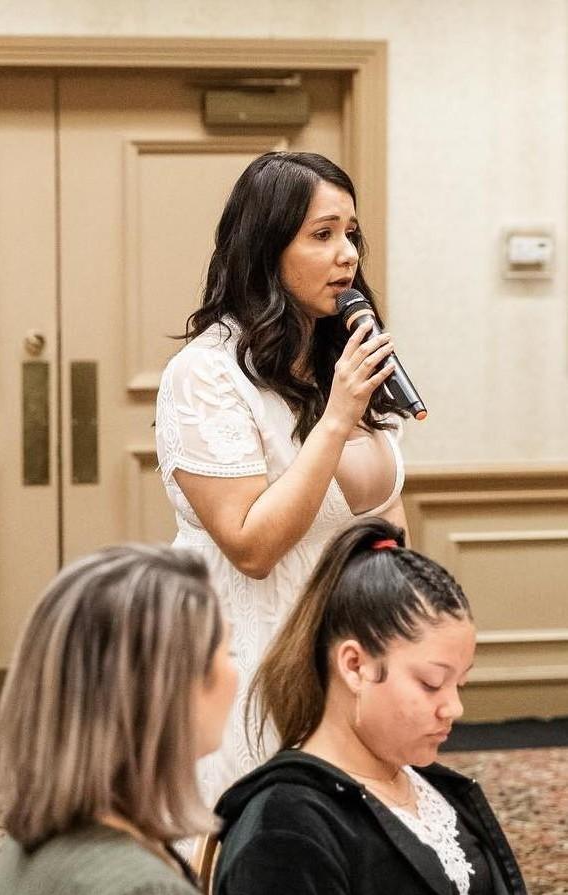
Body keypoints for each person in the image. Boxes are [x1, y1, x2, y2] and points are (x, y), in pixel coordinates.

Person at [155, 151, 411, 801]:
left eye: (351, 233)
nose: (347, 254)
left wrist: (407, 630)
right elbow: (252, 547)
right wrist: (337, 420)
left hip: (353, 653)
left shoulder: (341, 360)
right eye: (322, 234)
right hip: (251, 662)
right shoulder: (206, 374)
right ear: (267, 249)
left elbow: (385, 516)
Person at [213, 518, 528, 895]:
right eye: (431, 683)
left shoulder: (432, 789)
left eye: (459, 684)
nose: (453, 708)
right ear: (355, 666)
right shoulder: (284, 829)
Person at [0, 544, 237, 895]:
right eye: (228, 652)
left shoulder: (19, 851)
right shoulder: (144, 886)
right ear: (167, 691)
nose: (236, 673)